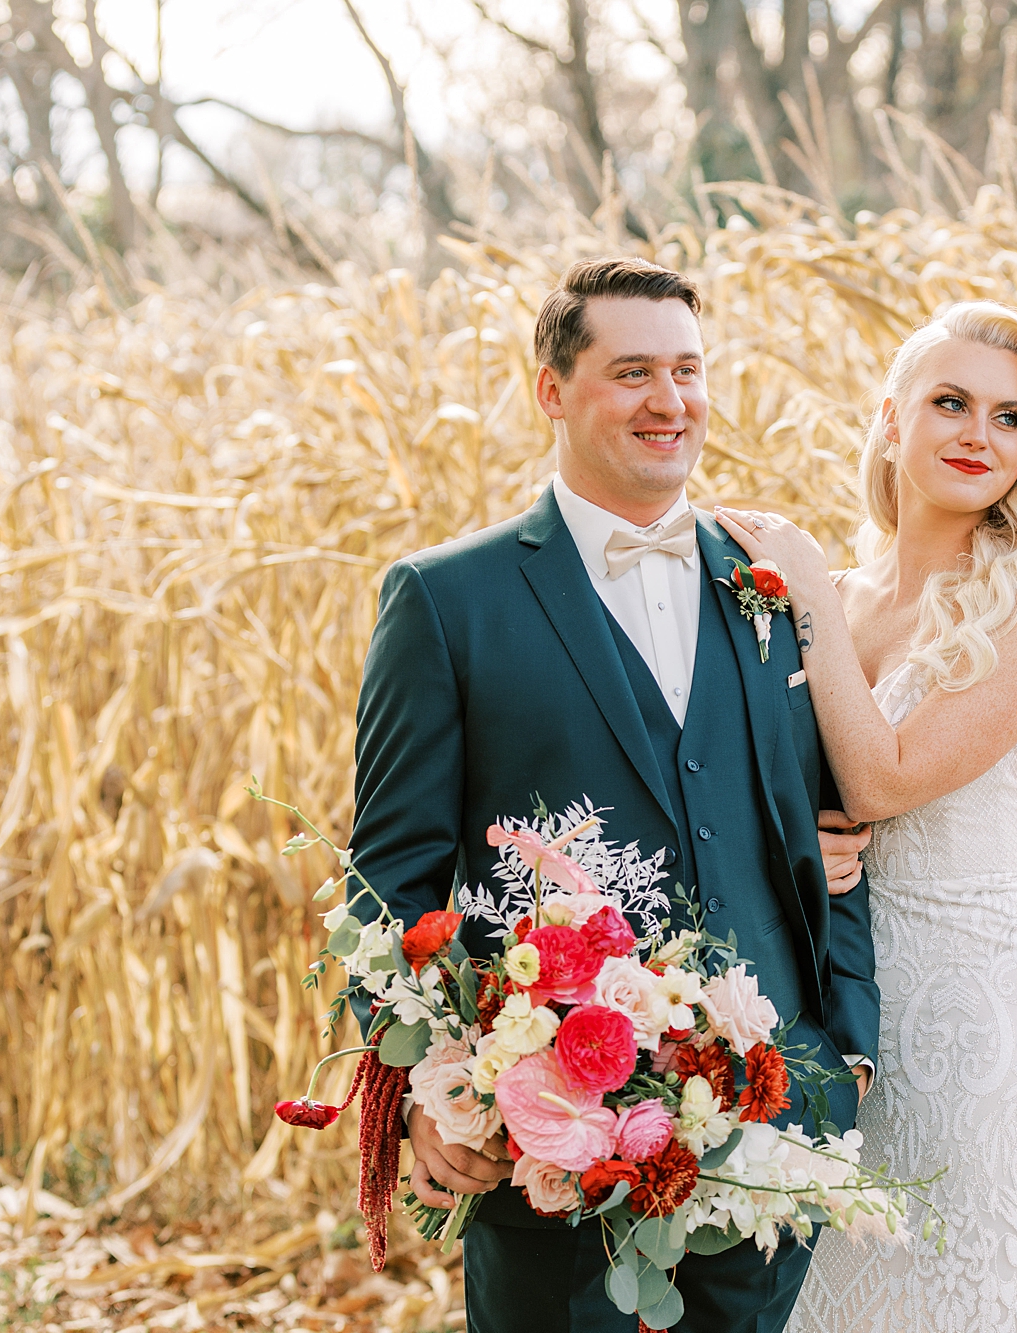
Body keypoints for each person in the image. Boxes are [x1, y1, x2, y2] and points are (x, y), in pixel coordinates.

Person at [348, 256, 880, 1333]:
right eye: (631, 371)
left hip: (770, 1121)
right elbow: (386, 880)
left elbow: (839, 828)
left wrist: (848, 1053)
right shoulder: (447, 601)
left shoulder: (773, 584)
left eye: (686, 370)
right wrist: (427, 1088)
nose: (669, 401)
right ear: (550, 388)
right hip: (549, 1133)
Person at [718, 300, 1017, 1332]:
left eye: (1008, 417)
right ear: (891, 419)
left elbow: (884, 779)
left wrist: (798, 583)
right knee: (838, 1279)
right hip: (833, 985)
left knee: (961, 1277)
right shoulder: (837, 599)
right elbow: (774, 789)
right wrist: (802, 840)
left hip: (977, 998)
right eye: (949, 402)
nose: (977, 434)